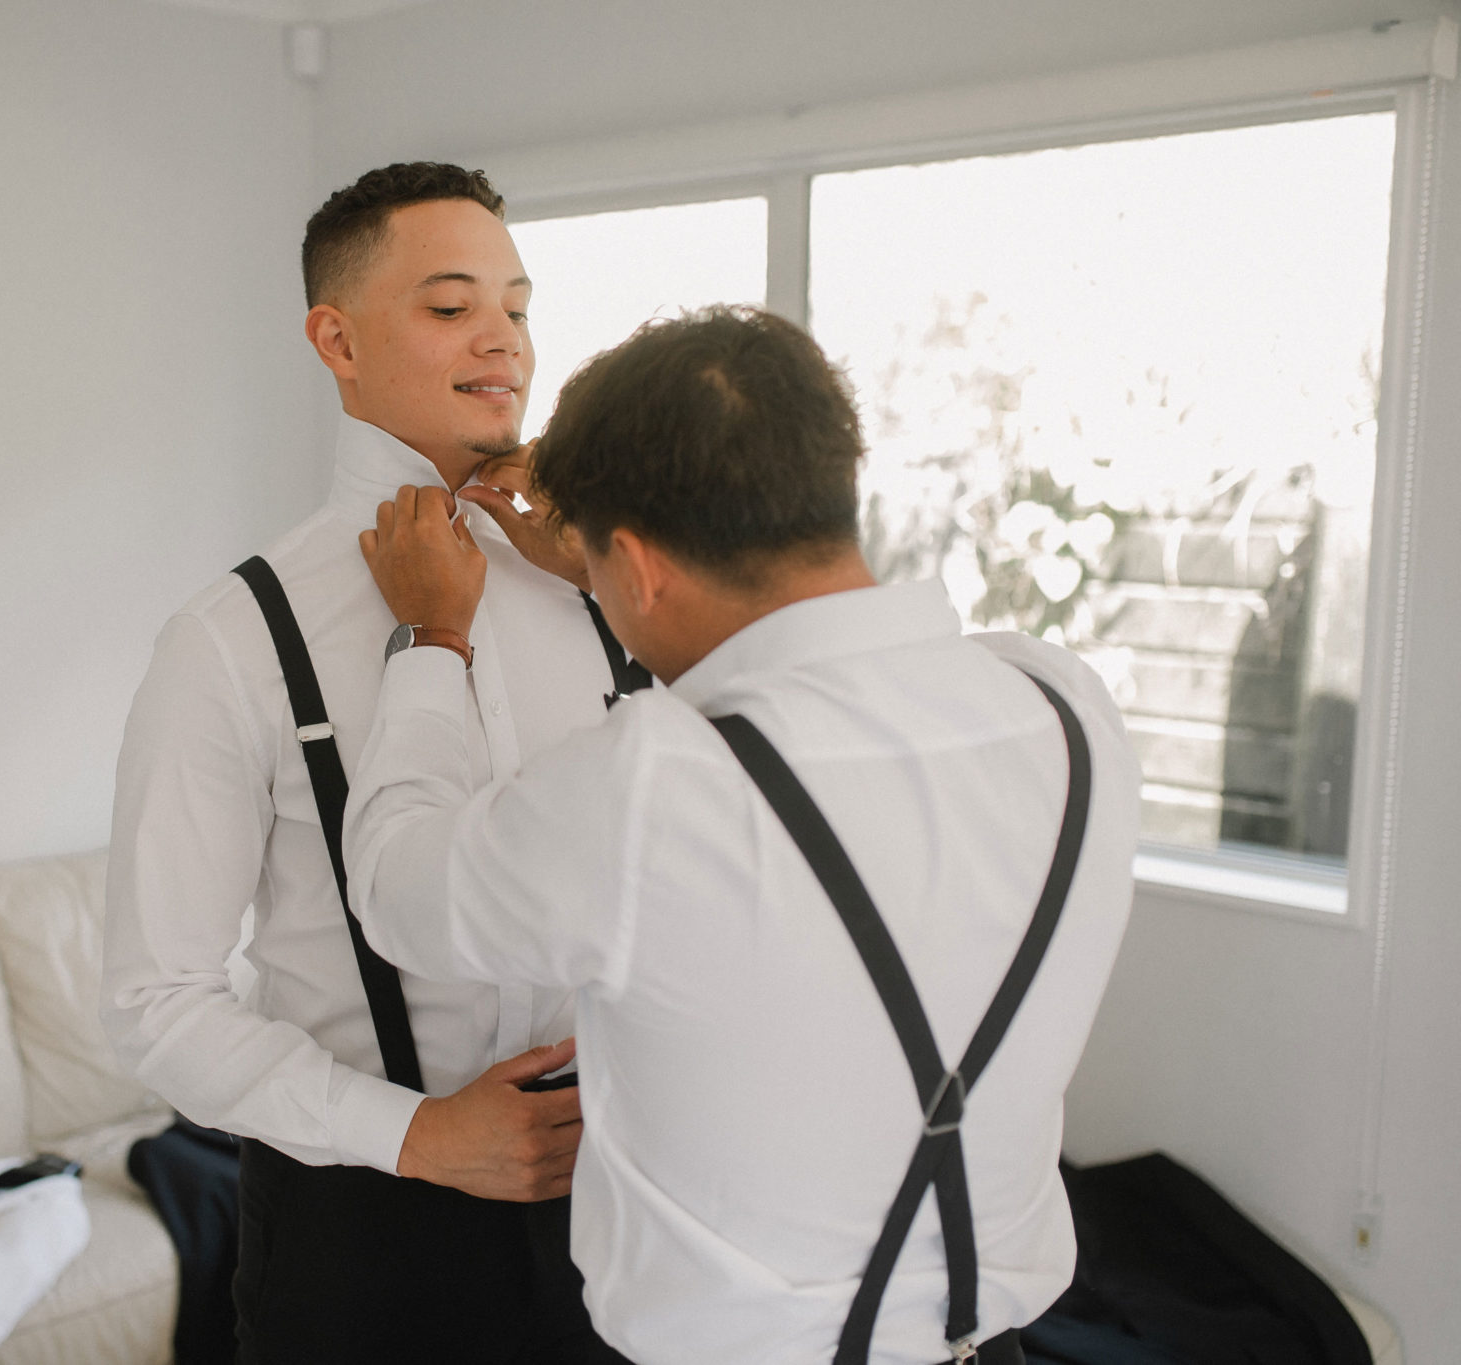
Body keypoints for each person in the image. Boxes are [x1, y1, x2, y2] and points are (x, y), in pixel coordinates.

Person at [343, 305, 1143, 1365]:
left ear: (638, 565)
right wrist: (623, 569)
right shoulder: (1059, 703)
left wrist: (432, 637)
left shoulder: (650, 785)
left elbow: (398, 887)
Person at [101, 162, 636, 1365]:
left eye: (517, 304)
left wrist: (601, 573)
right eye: (451, 307)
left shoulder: (609, 593)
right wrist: (417, 1136)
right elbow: (154, 1002)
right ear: (333, 339)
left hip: (626, 1206)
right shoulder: (232, 637)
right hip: (364, 1251)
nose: (501, 339)